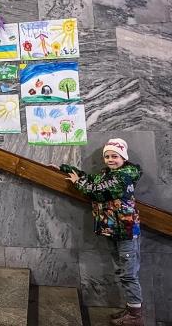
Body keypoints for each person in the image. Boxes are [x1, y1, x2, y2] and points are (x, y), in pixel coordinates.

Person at [60, 139, 143, 326]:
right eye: (107, 156)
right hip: (114, 229)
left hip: (126, 231)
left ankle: (136, 317)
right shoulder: (109, 174)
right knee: (123, 272)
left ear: (123, 157)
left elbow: (95, 191)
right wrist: (63, 168)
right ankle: (131, 309)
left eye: (114, 156)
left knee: (129, 274)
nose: (110, 159)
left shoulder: (124, 176)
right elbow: (92, 180)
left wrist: (78, 182)